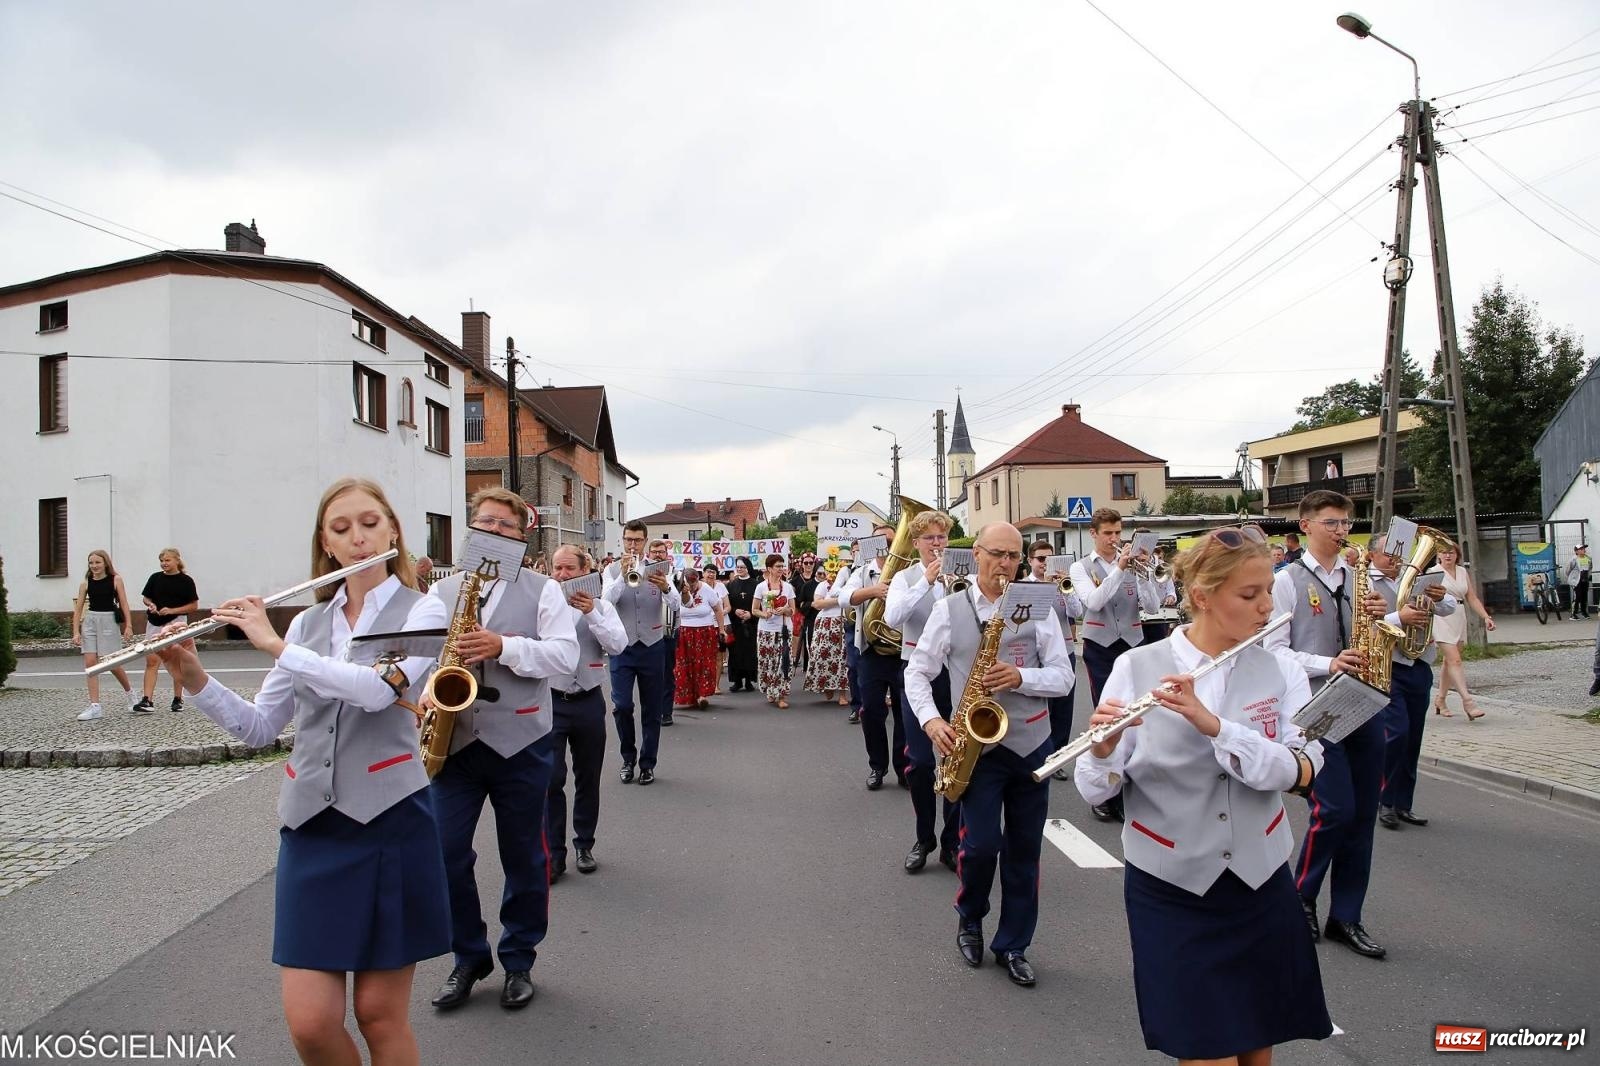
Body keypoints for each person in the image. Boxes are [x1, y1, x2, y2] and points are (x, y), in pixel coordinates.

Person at [154, 477, 450, 1064]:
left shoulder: (425, 609)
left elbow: (374, 692)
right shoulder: (309, 625)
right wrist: (193, 677)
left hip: (390, 822)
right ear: (326, 545)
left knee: (379, 1014)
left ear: (393, 530)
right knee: (311, 1024)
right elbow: (260, 727)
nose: (358, 538)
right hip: (312, 827)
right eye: (341, 529)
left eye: (370, 523)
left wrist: (273, 644)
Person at [1076, 523, 1333, 1062]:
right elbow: (1095, 790)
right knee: (1205, 1049)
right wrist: (1103, 751)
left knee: (1257, 1044)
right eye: (1250, 594)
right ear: (1202, 596)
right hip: (1172, 884)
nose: (1267, 606)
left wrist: (1217, 727)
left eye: (1268, 590)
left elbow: (1298, 769)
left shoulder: (1282, 670)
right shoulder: (1136, 667)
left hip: (1260, 877)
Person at [427, 487, 578, 1013]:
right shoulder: (441, 591)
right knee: (444, 853)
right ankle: (469, 955)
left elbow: (564, 656)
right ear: (471, 530)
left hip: (522, 742)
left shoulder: (544, 590)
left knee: (524, 856)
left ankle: (518, 958)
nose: (493, 531)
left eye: (505, 526)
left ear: (521, 537)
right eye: (485, 523)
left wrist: (504, 647)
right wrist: (423, 691)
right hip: (456, 743)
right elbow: (421, 657)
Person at [908, 523, 1073, 987]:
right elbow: (917, 672)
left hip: (1031, 743)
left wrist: (1022, 678)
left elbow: (1064, 677)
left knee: (1025, 850)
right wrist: (932, 721)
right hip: (977, 747)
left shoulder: (1039, 606)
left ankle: (1014, 944)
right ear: (976, 554)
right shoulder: (949, 609)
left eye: (1014, 556)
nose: (1006, 564)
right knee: (980, 846)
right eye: (998, 554)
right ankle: (971, 917)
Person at [1265, 490, 1388, 960]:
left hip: (1364, 702)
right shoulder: (1286, 581)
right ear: (1306, 526)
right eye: (1332, 523)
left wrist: (1381, 619)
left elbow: (1376, 634)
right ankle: (1301, 895)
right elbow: (1274, 651)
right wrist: (1328, 663)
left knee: (1363, 815)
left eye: (1346, 523)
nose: (1342, 531)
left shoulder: (1358, 577)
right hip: (1317, 707)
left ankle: (1347, 915)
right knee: (1334, 810)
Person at [1071, 509, 1162, 821]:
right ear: (1094, 534)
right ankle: (1103, 792)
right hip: (1100, 646)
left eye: (1117, 532)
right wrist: (1120, 570)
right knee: (1107, 716)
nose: (1114, 539)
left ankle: (1126, 788)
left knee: (1136, 715)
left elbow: (1152, 607)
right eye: (1108, 533)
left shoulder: (1134, 564)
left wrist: (1145, 574)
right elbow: (1093, 602)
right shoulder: (1080, 567)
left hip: (1133, 644)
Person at [884, 510, 960, 871]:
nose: (937, 543)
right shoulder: (905, 578)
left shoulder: (963, 574)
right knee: (919, 762)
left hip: (956, 674)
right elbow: (892, 617)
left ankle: (951, 841)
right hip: (916, 673)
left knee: (957, 761)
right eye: (929, 538)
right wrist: (926, 582)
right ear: (916, 543)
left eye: (941, 537)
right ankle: (924, 836)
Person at [1366, 534, 1457, 832]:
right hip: (1388, 666)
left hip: (1418, 664)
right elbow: (1365, 624)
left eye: (1398, 553)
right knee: (1397, 733)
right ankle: (1384, 799)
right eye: (1388, 554)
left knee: (1413, 737)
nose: (1395, 559)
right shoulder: (1365, 581)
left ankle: (1403, 803)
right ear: (1372, 555)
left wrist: (1441, 597)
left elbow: (1450, 608)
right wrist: (1400, 617)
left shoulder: (1413, 576)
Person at [547, 544, 627, 881]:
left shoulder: (602, 606)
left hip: (588, 699)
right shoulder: (543, 605)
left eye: (569, 568)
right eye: (557, 568)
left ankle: (584, 844)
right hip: (550, 700)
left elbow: (618, 645)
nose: (562, 575)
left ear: (585, 571)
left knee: (587, 777)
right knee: (550, 779)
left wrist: (592, 613)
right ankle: (553, 853)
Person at [602, 522, 677, 784]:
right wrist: (622, 577)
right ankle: (627, 758)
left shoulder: (658, 568)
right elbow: (605, 602)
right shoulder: (611, 570)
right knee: (622, 705)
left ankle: (647, 763)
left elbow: (676, 604)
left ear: (645, 541)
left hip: (652, 645)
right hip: (622, 647)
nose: (632, 545)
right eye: (628, 540)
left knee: (652, 708)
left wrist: (666, 587)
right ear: (623, 541)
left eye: (637, 540)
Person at [840, 526, 909, 788]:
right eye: (879, 541)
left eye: (890, 540)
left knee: (905, 714)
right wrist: (874, 591)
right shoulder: (862, 572)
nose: (885, 545)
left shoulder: (909, 571)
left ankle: (904, 768)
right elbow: (843, 597)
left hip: (903, 653)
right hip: (872, 652)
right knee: (871, 712)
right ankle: (877, 766)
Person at [1026, 540, 1084, 781]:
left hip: (1066, 649)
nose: (1045, 564)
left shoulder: (1063, 584)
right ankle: (1036, 756)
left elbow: (1077, 613)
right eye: (1041, 559)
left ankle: (1057, 758)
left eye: (1049, 559)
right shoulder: (1024, 586)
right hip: (1035, 654)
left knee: (1063, 709)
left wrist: (1064, 589)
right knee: (1039, 709)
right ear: (1030, 561)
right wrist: (1047, 589)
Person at [1431, 544, 1496, 720]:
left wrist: (1485, 617)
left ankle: (1440, 699)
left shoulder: (1461, 571)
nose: (1447, 556)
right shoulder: (1433, 572)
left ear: (1457, 555)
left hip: (1459, 615)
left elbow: (1471, 597)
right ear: (1438, 555)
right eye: (1444, 552)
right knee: (1455, 660)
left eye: (1451, 552)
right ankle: (1468, 702)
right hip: (1440, 616)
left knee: (1450, 661)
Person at [72, 549, 136, 720]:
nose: (94, 566)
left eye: (97, 562)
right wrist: (76, 631)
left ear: (105, 563)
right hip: (90, 621)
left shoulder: (116, 580)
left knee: (112, 663)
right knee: (90, 663)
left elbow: (124, 604)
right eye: (91, 563)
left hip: (109, 621)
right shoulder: (85, 583)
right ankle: (95, 706)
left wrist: (128, 626)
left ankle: (130, 693)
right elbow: (78, 609)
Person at [136, 548, 199, 714]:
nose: (164, 563)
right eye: (162, 561)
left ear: (177, 560)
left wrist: (172, 610)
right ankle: (147, 699)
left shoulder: (186, 581)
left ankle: (178, 698)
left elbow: (193, 605)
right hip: (155, 621)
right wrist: (151, 604)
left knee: (177, 660)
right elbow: (146, 597)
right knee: (152, 660)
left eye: (167, 560)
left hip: (176, 622)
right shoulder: (155, 578)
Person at [674, 566, 726, 709]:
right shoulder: (678, 590)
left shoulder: (707, 589)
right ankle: (690, 696)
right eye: (689, 585)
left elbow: (718, 609)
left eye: (694, 584)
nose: (692, 588)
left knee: (704, 663)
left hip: (704, 631)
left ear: (698, 579)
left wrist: (721, 629)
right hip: (684, 631)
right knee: (685, 664)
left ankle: (702, 694)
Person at [751, 554, 796, 708]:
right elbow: (754, 610)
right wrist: (765, 614)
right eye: (778, 566)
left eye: (782, 566)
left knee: (783, 662)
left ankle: (782, 695)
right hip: (766, 630)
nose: (781, 569)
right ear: (769, 568)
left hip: (784, 630)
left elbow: (793, 610)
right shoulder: (761, 587)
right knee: (767, 662)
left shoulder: (787, 587)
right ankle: (771, 689)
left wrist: (785, 610)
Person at [807, 555, 851, 705]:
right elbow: (817, 604)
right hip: (826, 624)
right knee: (824, 657)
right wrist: (840, 599)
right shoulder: (823, 585)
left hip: (843, 621)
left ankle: (842, 694)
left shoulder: (849, 586)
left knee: (843, 658)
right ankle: (827, 685)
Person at [725, 556, 760, 693]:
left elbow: (760, 604)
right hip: (736, 624)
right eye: (738, 567)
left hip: (751, 624)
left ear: (748, 568)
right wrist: (735, 611)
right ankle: (737, 681)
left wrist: (751, 614)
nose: (739, 569)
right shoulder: (731, 585)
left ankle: (749, 681)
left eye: (742, 567)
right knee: (735, 653)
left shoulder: (756, 584)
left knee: (750, 653)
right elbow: (727, 604)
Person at [790, 553, 821, 677]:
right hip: (799, 610)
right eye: (806, 563)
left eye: (811, 563)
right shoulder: (795, 580)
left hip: (816, 611)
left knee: (813, 638)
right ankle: (796, 657)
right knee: (798, 635)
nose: (808, 565)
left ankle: (813, 663)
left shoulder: (818, 577)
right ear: (802, 564)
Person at [701, 564, 730, 693]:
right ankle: (703, 684)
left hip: (719, 626)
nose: (711, 574)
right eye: (708, 572)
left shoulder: (721, 586)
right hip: (704, 625)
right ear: (703, 573)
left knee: (718, 656)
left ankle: (716, 685)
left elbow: (728, 606)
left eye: (713, 572)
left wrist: (720, 613)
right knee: (704, 656)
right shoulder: (699, 586)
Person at [1566, 544, 1592, 620]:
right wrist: (1572, 578)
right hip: (1576, 581)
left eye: (1583, 548)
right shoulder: (1573, 559)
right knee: (1577, 597)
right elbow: (1568, 570)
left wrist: (1587, 576)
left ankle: (1584, 612)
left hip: (1585, 580)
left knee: (1584, 596)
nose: (1583, 550)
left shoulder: (1588, 558)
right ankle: (1573, 614)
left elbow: (1590, 567)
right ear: (1576, 551)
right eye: (1581, 549)